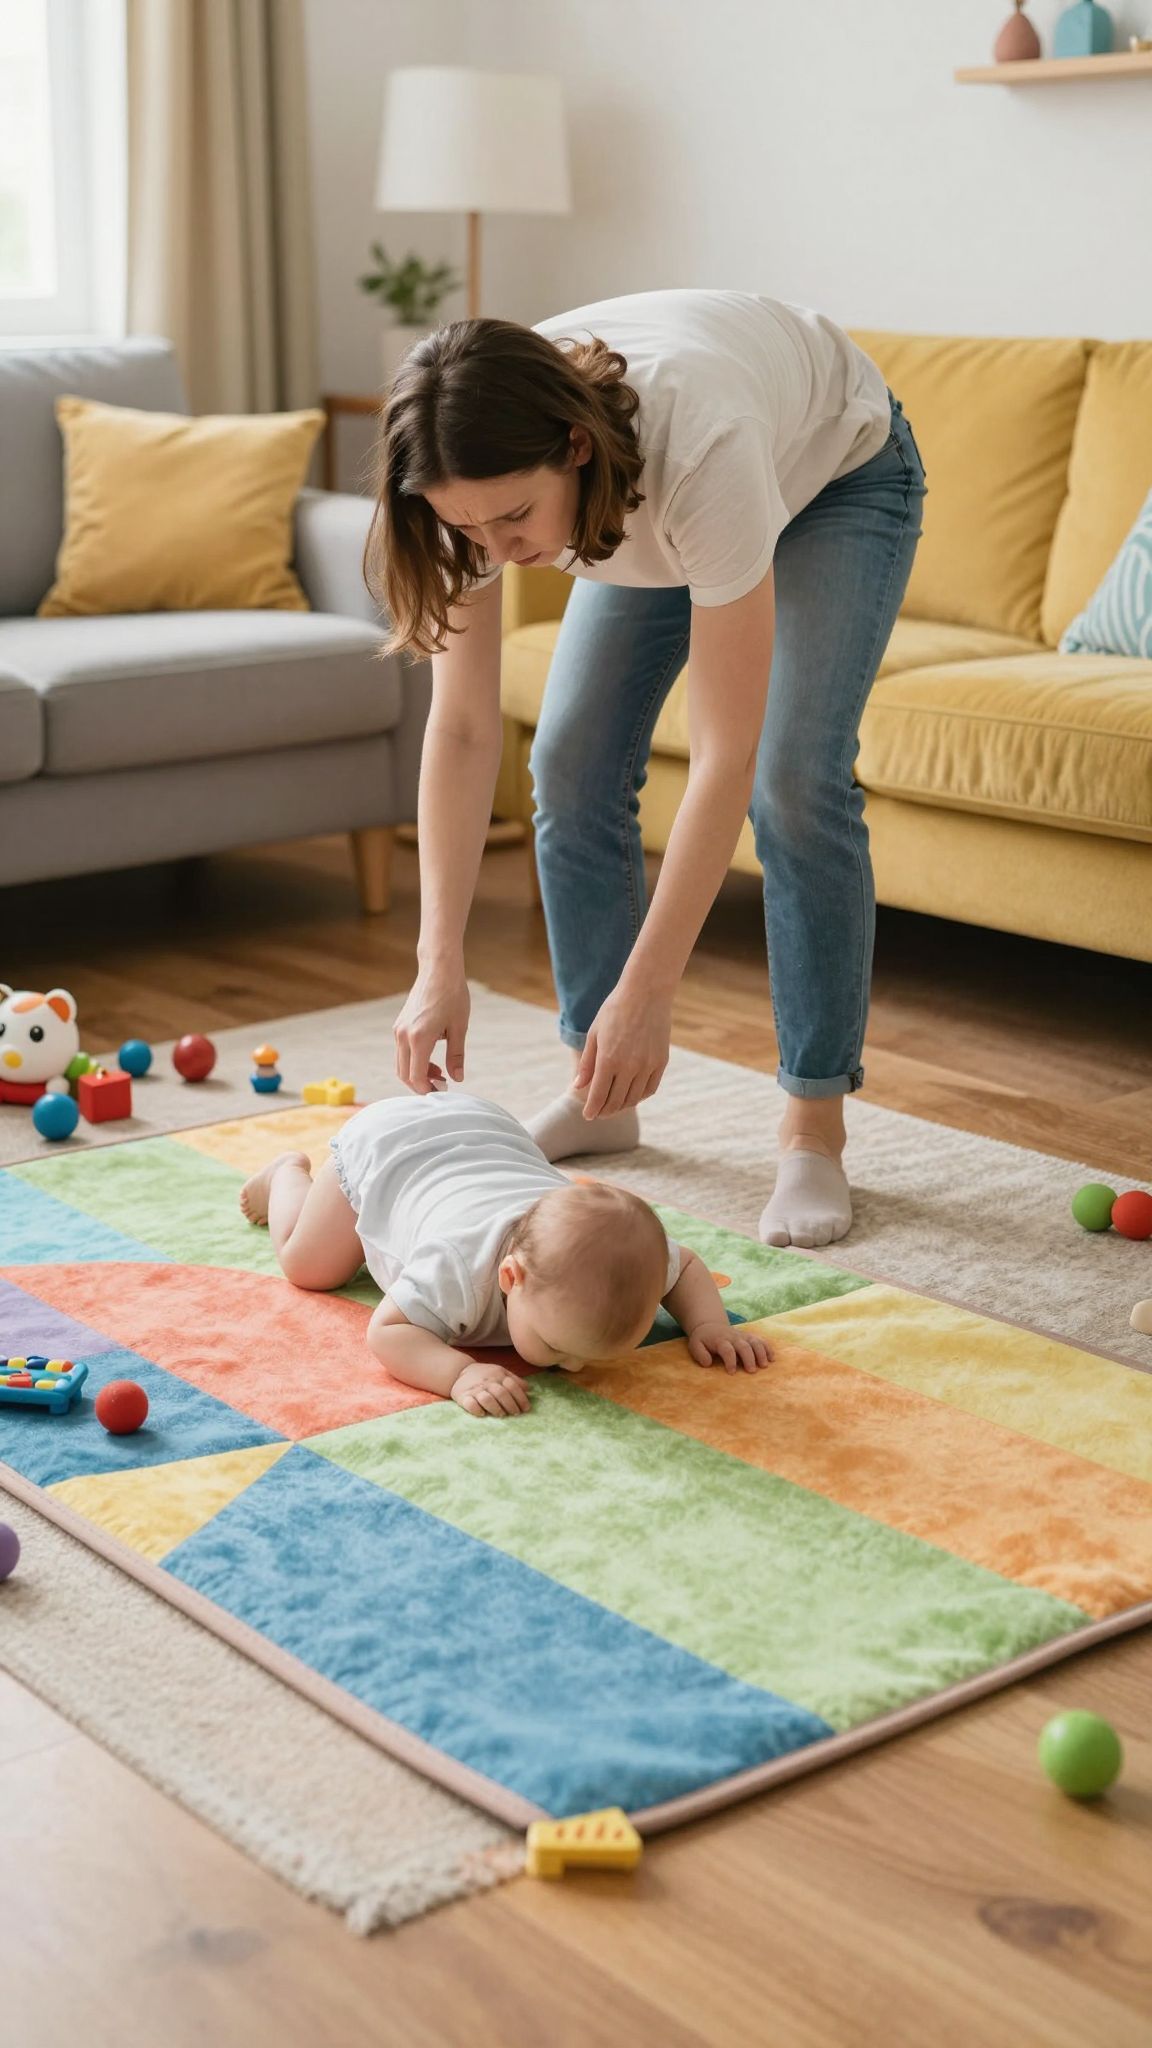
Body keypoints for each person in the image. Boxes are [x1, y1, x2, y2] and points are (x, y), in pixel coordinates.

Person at [366, 290, 927, 1250]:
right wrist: (436, 966)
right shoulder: (469, 477)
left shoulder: (700, 445)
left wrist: (649, 991)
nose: (499, 556)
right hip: (652, 502)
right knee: (570, 759)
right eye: (471, 533)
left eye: (512, 520)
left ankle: (813, 1129)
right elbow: (462, 732)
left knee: (795, 779)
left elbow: (724, 755)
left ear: (574, 448)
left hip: (837, 475)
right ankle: (601, 1093)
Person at [238, 1090, 771, 1419]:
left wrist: (709, 1325)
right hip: (385, 1153)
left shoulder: (623, 1262)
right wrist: (457, 1374)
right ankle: (288, 1173)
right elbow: (388, 1331)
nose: (575, 1366)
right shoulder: (456, 1268)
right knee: (309, 1267)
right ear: (510, 1277)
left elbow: (688, 1267)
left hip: (488, 1129)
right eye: (558, 1347)